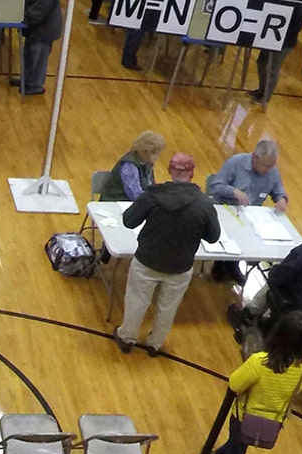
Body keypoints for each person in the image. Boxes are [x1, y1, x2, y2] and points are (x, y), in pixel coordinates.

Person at [115, 152, 220, 356]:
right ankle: (155, 344)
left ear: (170, 170)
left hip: (147, 260)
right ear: (191, 173)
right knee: (167, 307)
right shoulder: (203, 203)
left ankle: (127, 337)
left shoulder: (152, 195)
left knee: (137, 300)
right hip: (180, 266)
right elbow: (213, 237)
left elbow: (129, 221)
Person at [210, 313, 302, 454]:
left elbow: (234, 383)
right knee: (238, 445)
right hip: (273, 421)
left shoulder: (260, 362)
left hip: (243, 417)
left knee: (236, 451)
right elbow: (300, 388)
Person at [206, 140, 288, 210]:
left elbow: (279, 192)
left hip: (251, 215)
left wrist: (282, 200)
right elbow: (215, 186)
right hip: (227, 208)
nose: (268, 169)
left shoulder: (272, 170)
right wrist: (233, 191)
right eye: (265, 165)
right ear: (255, 157)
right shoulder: (236, 162)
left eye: (271, 166)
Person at [250, 2, 302, 103]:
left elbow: (296, 28)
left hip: (285, 43)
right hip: (270, 37)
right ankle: (261, 90)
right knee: (261, 63)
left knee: (272, 68)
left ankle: (266, 97)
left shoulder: (300, 6)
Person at [106, 131, 166, 201]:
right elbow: (134, 194)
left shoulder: (147, 164)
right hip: (115, 202)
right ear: (146, 151)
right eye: (156, 153)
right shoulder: (129, 165)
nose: (158, 156)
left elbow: (150, 187)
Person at [18, 0, 61, 95]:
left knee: (38, 57)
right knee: (28, 54)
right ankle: (26, 80)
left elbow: (41, 9)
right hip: (35, 27)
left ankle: (35, 85)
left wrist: (23, 17)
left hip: (44, 29)